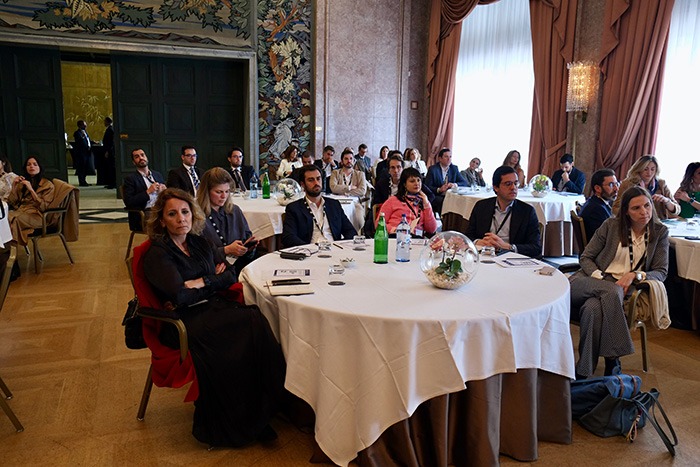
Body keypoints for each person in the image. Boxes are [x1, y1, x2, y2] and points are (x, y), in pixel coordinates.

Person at [142, 188, 285, 447]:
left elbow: (229, 275)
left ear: (193, 214)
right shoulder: (157, 253)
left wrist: (201, 281)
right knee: (242, 327)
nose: (181, 219)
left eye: (185, 212)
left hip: (209, 307)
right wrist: (211, 280)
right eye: (172, 214)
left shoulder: (198, 242)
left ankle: (264, 407)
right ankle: (234, 422)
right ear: (161, 220)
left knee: (254, 319)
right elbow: (180, 296)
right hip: (180, 321)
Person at [569, 186, 669, 379]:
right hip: (589, 281)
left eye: (647, 205)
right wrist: (600, 277)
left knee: (592, 309)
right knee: (611, 291)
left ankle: (583, 370)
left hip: (623, 288)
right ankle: (613, 360)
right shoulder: (611, 225)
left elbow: (661, 272)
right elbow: (586, 257)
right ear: (626, 211)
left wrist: (635, 275)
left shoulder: (659, 232)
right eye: (636, 208)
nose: (644, 212)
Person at [465, 165, 541, 258]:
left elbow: (536, 248)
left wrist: (508, 247)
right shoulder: (481, 206)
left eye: (516, 183)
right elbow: (468, 236)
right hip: (485, 255)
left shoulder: (527, 211)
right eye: (508, 184)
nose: (513, 187)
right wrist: (478, 242)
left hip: (512, 258)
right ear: (496, 187)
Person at [197, 168, 260, 280]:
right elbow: (196, 254)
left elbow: (246, 236)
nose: (224, 196)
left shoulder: (235, 211)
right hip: (213, 271)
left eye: (227, 191)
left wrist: (248, 248)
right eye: (219, 192)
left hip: (240, 267)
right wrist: (226, 250)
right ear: (206, 192)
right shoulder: (196, 216)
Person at [281, 165, 357, 248]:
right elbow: (288, 237)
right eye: (311, 180)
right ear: (303, 184)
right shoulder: (294, 208)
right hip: (309, 251)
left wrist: (340, 246)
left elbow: (351, 231)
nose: (316, 183)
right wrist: (310, 248)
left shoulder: (334, 205)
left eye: (318, 179)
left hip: (334, 250)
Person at [613, 155, 680, 220]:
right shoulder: (627, 184)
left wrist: (667, 201)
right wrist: (632, 212)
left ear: (656, 170)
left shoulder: (661, 184)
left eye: (652, 169)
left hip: (659, 222)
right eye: (645, 169)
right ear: (639, 169)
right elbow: (615, 208)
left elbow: (677, 209)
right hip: (635, 223)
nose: (649, 173)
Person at [7, 156, 55, 246]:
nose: (31, 166)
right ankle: (5, 248)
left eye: (35, 164)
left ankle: (12, 250)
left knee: (15, 220)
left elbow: (44, 207)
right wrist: (14, 185)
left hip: (38, 215)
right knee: (4, 218)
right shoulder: (23, 182)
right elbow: (12, 202)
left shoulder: (47, 185)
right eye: (28, 165)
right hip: (21, 211)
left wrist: (31, 190)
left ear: (40, 167)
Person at [377, 168, 437, 237]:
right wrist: (396, 230)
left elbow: (432, 229)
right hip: (395, 237)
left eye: (418, 180)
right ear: (404, 184)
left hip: (416, 239)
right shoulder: (393, 200)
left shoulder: (423, 202)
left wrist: (426, 204)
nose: (416, 183)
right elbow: (379, 224)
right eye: (412, 181)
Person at [122, 148, 166, 232]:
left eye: (142, 155)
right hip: (145, 212)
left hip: (161, 208)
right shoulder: (130, 179)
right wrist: (148, 192)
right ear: (133, 162)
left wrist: (164, 191)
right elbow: (129, 202)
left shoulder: (157, 175)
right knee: (166, 221)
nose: (141, 158)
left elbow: (166, 196)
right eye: (137, 157)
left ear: (146, 157)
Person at [579, 168, 619, 241]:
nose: (616, 189)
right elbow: (607, 238)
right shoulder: (596, 210)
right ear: (597, 188)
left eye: (617, 184)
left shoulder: (595, 202)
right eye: (611, 185)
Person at [424, 148, 468, 214]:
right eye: (446, 157)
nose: (449, 159)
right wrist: (439, 189)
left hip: (451, 195)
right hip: (437, 195)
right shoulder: (433, 169)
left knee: (461, 201)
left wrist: (454, 184)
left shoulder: (454, 168)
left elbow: (464, 182)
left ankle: (455, 219)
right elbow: (427, 186)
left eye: (450, 157)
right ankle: (444, 219)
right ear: (440, 158)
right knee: (444, 201)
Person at [73, 120, 92, 187]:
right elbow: (78, 142)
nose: (85, 126)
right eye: (84, 124)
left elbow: (87, 140)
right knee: (81, 168)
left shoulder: (85, 132)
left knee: (85, 168)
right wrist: (83, 137)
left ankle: (84, 180)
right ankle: (81, 182)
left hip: (87, 152)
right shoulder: (77, 133)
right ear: (80, 125)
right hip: (81, 153)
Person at [101, 116, 116, 189]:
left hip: (110, 152)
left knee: (111, 168)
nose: (104, 123)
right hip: (110, 151)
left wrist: (107, 151)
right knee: (110, 168)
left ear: (107, 122)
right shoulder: (110, 129)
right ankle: (111, 183)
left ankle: (113, 183)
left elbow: (110, 142)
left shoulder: (110, 130)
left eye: (105, 121)